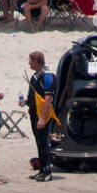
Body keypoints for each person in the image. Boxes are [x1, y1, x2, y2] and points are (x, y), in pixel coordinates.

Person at [25, 51, 57, 182]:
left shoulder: (48, 77)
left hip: (43, 114)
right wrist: (26, 101)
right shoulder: (35, 76)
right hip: (34, 113)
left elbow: (48, 99)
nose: (29, 63)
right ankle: (42, 169)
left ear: (37, 62)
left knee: (44, 143)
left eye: (31, 61)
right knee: (39, 142)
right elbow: (35, 95)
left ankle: (47, 171)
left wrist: (42, 118)